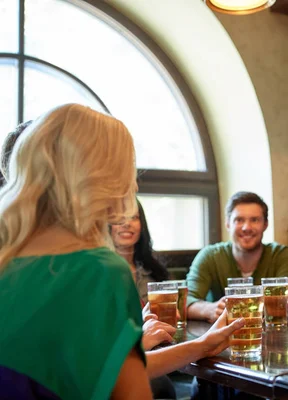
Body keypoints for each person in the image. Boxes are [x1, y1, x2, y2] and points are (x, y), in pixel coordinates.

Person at [0, 104, 244, 399]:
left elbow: (100, 372)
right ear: (102, 178)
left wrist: (201, 345)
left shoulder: (11, 260)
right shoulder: (96, 270)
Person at [187, 191, 288, 322]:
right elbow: (186, 300)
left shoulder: (281, 255)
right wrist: (209, 309)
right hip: (223, 337)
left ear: (265, 224)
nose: (247, 227)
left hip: (274, 334)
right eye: (239, 220)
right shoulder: (210, 255)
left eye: (255, 220)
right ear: (228, 224)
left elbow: (283, 300)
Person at [110, 199, 169, 304]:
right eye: (119, 218)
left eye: (134, 217)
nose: (127, 223)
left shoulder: (154, 271)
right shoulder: (98, 271)